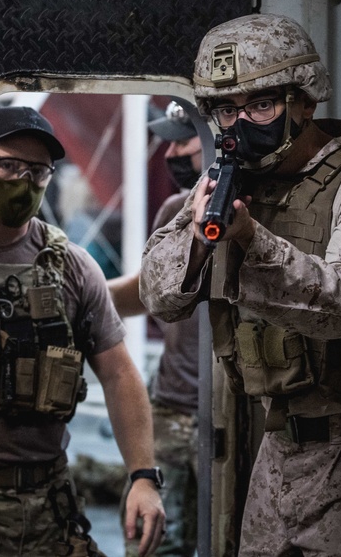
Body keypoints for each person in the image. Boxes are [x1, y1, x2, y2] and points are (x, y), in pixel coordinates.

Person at [140, 13, 341, 556]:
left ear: (304, 101)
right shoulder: (228, 180)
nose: (241, 123)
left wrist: (252, 238)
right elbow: (159, 295)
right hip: (275, 455)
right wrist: (201, 240)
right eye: (227, 109)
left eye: (261, 105)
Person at [0, 106, 165, 556]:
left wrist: (143, 478)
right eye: (8, 165)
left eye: (37, 171)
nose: (24, 181)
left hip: (48, 502)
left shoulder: (71, 266)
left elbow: (119, 374)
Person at [107, 99, 204, 557]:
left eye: (183, 141)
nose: (171, 155)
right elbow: (147, 291)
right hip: (170, 409)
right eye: (166, 143)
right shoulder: (174, 212)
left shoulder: (264, 214)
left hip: (232, 418)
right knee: (152, 545)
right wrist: (77, 295)